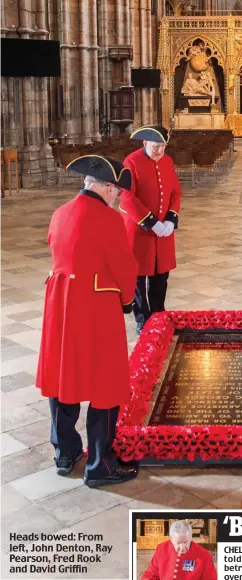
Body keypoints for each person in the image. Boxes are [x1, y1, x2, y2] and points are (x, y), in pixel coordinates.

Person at [36, 155, 139, 487]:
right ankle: (100, 465)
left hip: (61, 308)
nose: (118, 196)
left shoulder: (59, 213)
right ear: (106, 188)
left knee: (64, 375)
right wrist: (126, 301)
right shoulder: (109, 219)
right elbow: (124, 267)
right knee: (105, 383)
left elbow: (58, 250)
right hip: (96, 307)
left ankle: (65, 453)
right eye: (116, 191)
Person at [120, 125, 182, 334]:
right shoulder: (131, 162)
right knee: (139, 277)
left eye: (163, 146)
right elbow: (127, 198)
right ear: (145, 143)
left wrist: (171, 220)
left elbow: (175, 192)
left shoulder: (167, 161)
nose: (160, 151)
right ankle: (142, 318)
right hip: (140, 230)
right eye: (156, 146)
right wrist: (152, 222)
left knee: (161, 274)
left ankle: (159, 313)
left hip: (163, 230)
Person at [142, 521, 217, 580]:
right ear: (171, 538)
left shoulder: (204, 555)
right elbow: (151, 575)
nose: (182, 547)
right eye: (178, 543)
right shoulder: (161, 549)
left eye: (185, 542)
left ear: (191, 537)